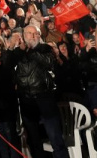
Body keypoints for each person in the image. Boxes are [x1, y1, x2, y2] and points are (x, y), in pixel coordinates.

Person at [11, 25, 70, 158]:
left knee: (56, 138)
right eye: (29, 33)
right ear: (23, 35)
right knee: (34, 141)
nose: (32, 36)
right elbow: (9, 63)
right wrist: (19, 50)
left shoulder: (45, 48)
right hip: (26, 101)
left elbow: (49, 63)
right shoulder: (18, 52)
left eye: (35, 34)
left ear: (39, 36)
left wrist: (32, 50)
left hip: (45, 98)